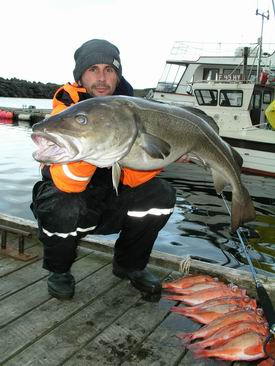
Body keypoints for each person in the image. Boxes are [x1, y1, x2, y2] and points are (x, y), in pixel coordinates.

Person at [31, 39, 176, 300]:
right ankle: (59, 270)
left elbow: (132, 179)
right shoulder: (66, 111)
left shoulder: (135, 110)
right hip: (72, 202)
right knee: (61, 205)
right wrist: (92, 140)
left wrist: (163, 156)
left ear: (117, 75)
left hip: (112, 198)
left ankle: (129, 265)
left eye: (109, 70)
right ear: (80, 76)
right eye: (93, 69)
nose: (101, 78)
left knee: (160, 195)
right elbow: (67, 184)